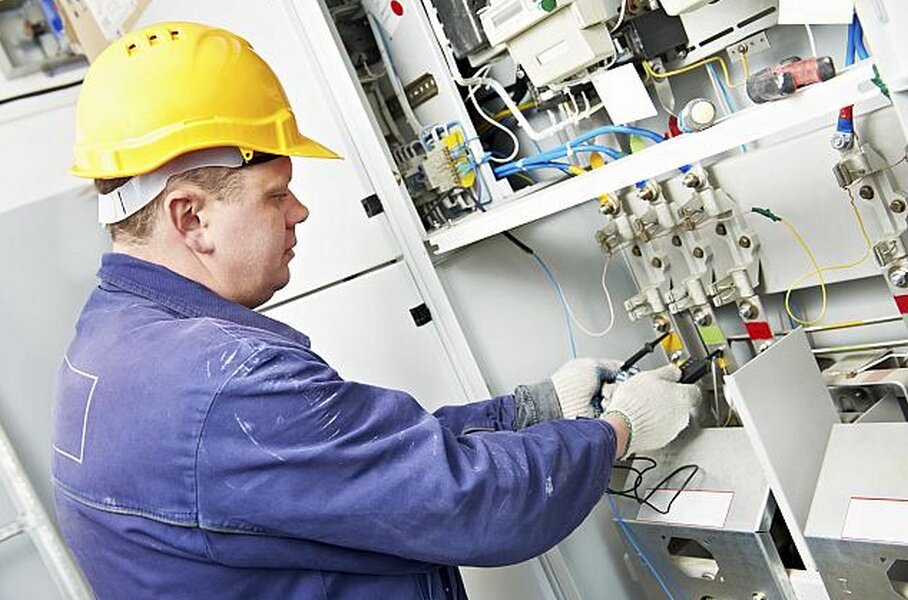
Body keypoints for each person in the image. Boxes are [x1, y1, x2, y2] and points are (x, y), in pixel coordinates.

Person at [51, 21, 700, 599]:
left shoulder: (110, 345)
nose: (300, 211)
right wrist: (619, 429)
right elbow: (474, 503)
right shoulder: (226, 384)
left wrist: (534, 408)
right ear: (191, 217)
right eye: (276, 195)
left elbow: (355, 462)